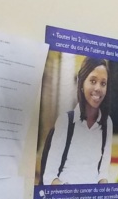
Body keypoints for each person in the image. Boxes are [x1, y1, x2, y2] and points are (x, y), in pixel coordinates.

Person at [42, 57, 114, 185]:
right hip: (65, 195)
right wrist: (68, 191)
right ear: (81, 83)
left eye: (103, 83)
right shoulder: (66, 121)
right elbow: (49, 176)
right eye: (93, 81)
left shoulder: (107, 123)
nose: (98, 88)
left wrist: (103, 188)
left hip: (92, 196)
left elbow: (103, 173)